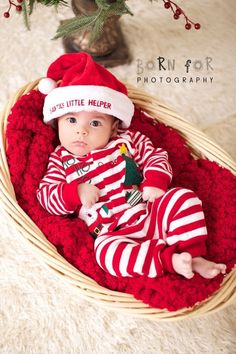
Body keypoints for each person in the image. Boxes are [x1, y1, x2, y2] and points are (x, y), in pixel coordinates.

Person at [37, 52, 226, 280]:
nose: (81, 130)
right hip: (114, 233)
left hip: (150, 214)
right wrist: (74, 192)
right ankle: (170, 261)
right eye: (71, 120)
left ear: (114, 128)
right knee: (105, 255)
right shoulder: (61, 159)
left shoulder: (127, 141)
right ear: (56, 121)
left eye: (95, 122)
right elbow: (45, 195)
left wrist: (155, 181)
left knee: (183, 198)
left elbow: (156, 156)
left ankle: (193, 255)